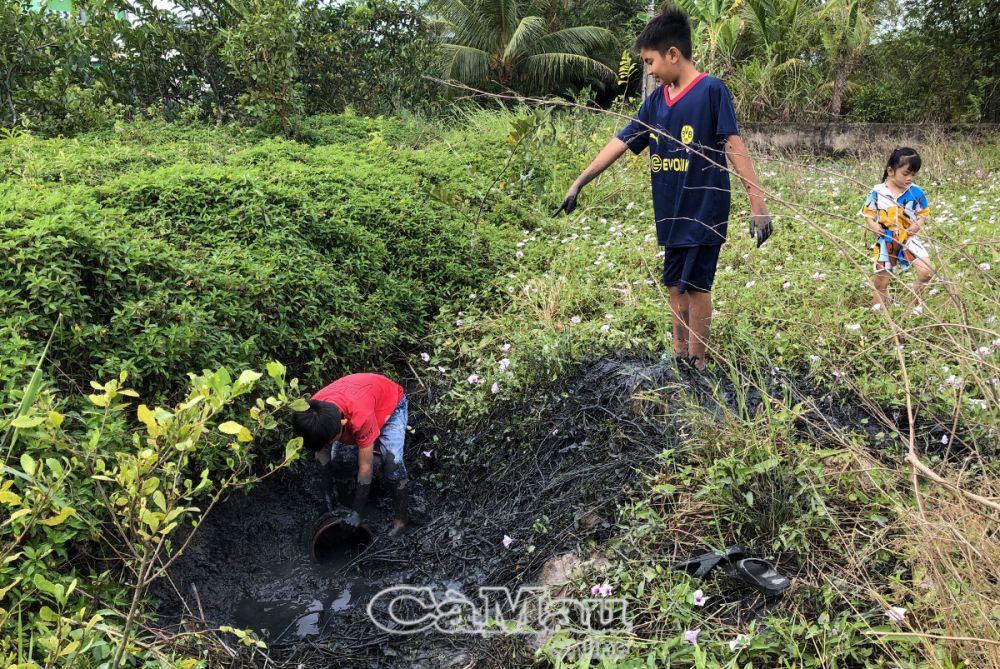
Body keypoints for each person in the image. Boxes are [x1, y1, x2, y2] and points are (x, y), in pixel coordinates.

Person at [553, 5, 772, 372]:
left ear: (673, 54)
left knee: (698, 287)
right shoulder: (655, 102)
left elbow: (735, 146)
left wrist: (758, 203)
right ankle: (679, 353)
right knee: (674, 285)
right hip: (670, 212)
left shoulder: (712, 91)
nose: (650, 71)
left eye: (651, 62)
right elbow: (621, 141)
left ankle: (698, 363)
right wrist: (580, 181)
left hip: (704, 209)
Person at [292, 373, 409, 537]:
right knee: (341, 461)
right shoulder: (314, 415)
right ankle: (343, 504)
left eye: (331, 441)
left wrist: (357, 513)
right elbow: (321, 454)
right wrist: (327, 496)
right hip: (363, 403)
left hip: (391, 406)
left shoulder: (359, 418)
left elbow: (366, 468)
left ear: (343, 424)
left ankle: (401, 522)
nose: (327, 445)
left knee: (393, 464)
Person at [860, 147, 934, 307]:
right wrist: (873, 225)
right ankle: (877, 315)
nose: (910, 178)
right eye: (906, 174)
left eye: (913, 174)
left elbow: (923, 212)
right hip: (886, 241)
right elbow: (868, 213)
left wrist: (917, 224)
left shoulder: (916, 192)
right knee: (881, 282)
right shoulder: (877, 192)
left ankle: (911, 306)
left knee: (926, 272)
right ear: (891, 171)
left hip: (909, 238)